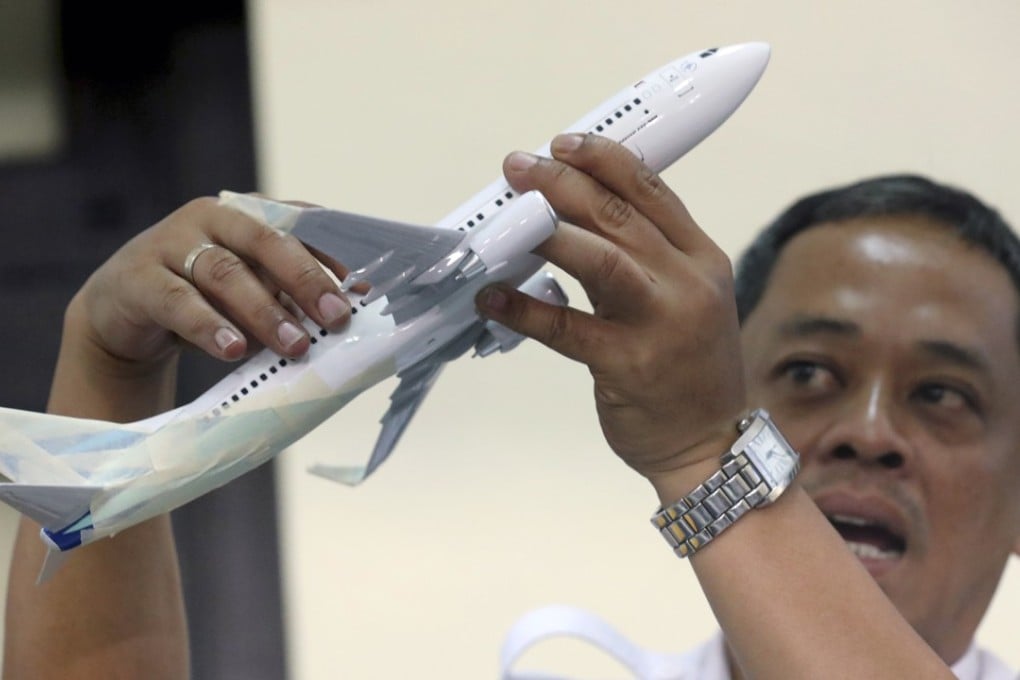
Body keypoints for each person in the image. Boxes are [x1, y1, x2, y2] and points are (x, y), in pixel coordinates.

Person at [2, 133, 1012, 679]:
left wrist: (709, 451)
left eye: (943, 395)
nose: (868, 431)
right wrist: (111, 372)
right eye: (807, 374)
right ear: (732, 372)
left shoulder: (709, 442)